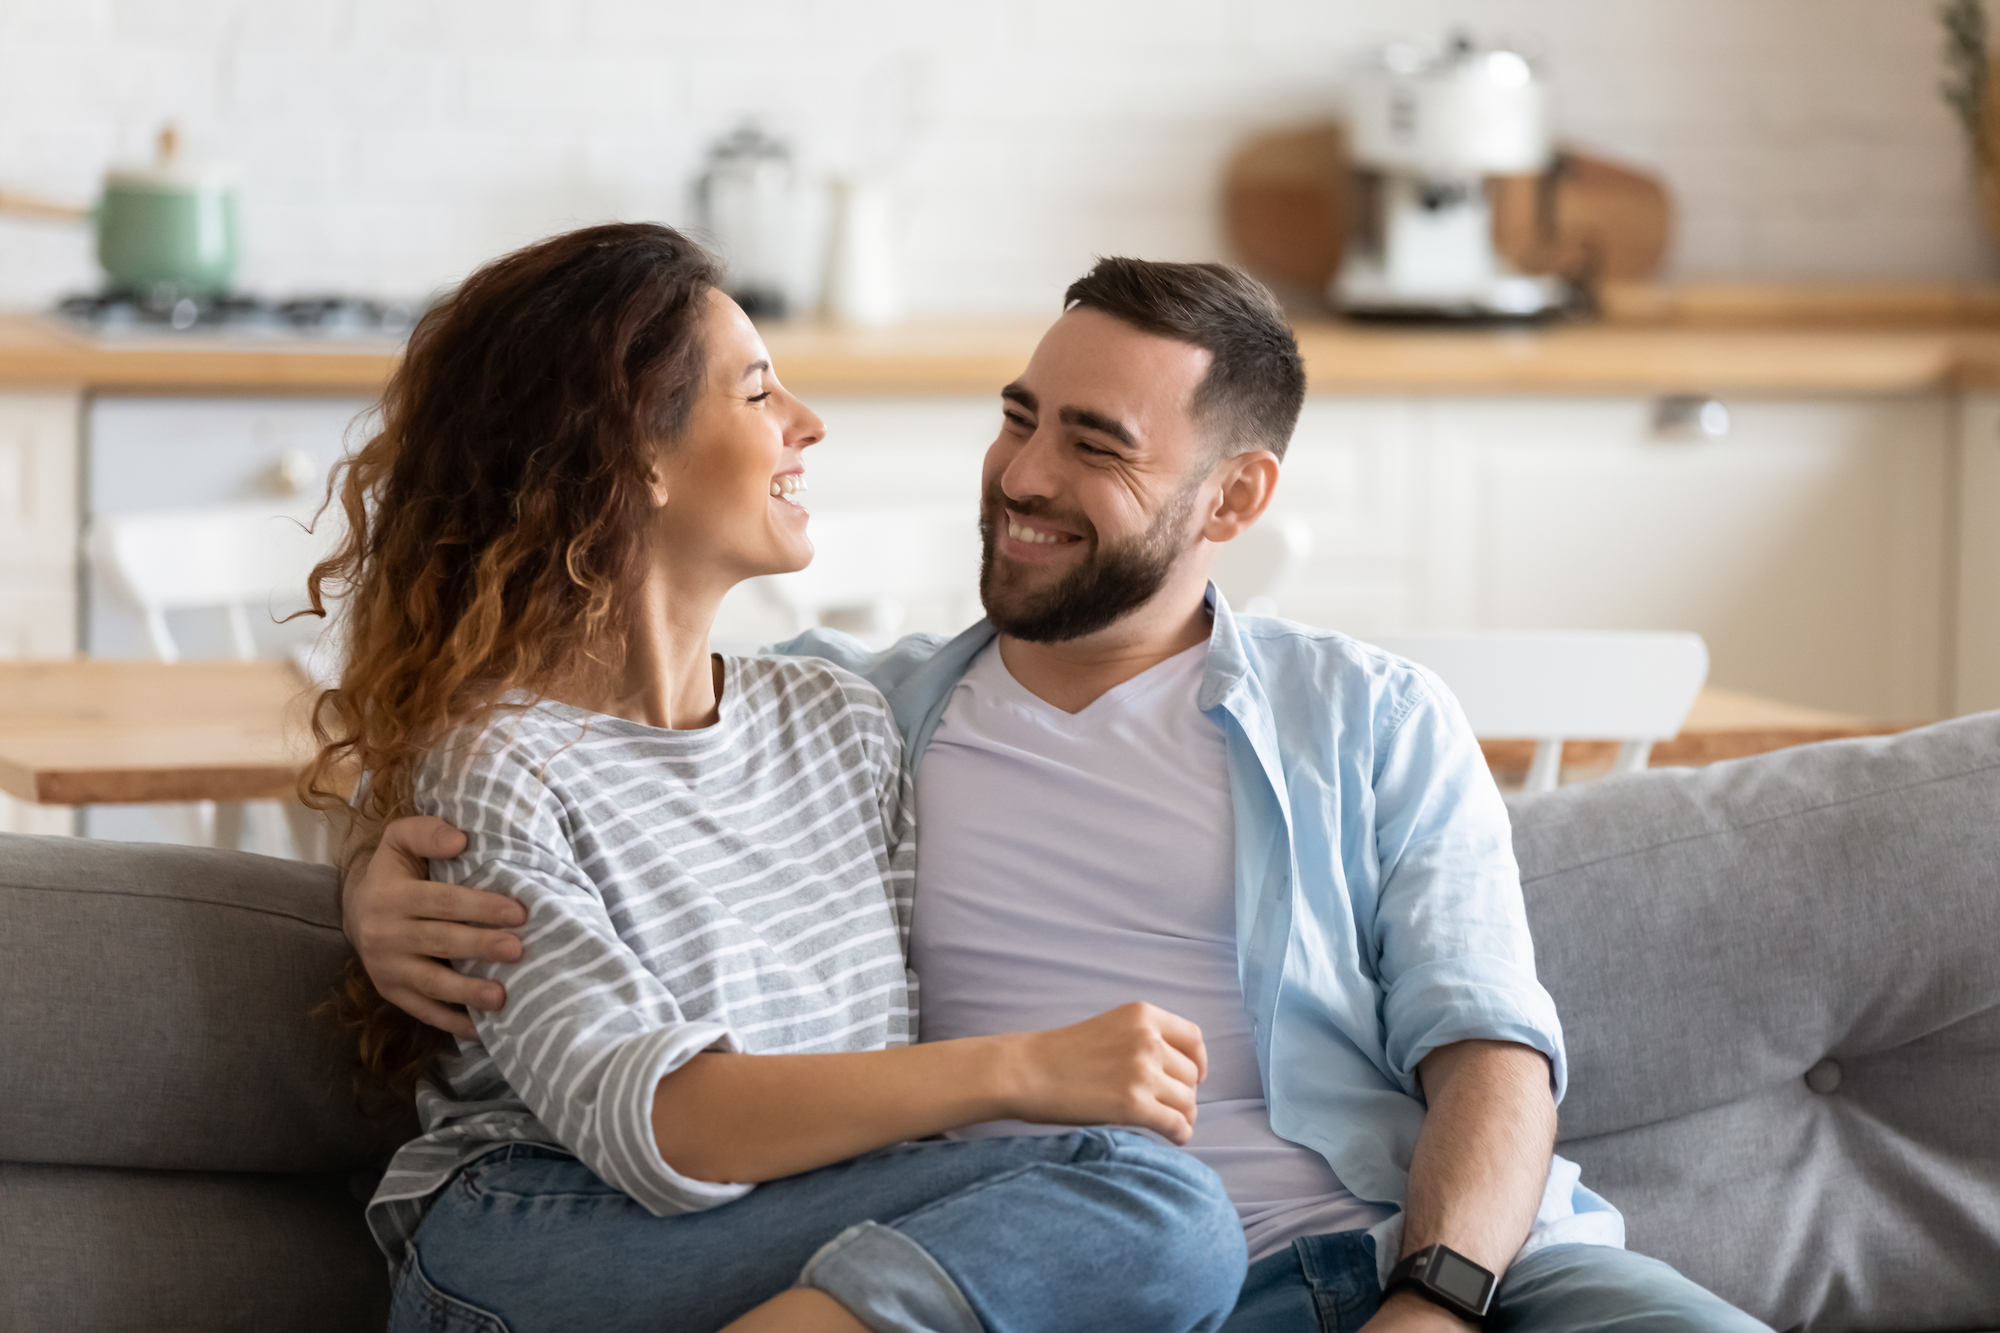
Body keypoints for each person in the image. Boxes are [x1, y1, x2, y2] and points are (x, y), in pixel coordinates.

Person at [345, 255, 1772, 1333]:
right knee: (1157, 1215)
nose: (1022, 475)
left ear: (1233, 500)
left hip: (1431, 1269)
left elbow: (1495, 1054)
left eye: (1094, 445)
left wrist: (1439, 1299)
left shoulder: (1370, 717)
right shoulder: (887, 710)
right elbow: (563, 751)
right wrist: (371, 887)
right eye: (1019, 417)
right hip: (1098, 1279)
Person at [305, 223, 1250, 1333]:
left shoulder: (842, 719)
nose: (806, 423)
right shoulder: (493, 765)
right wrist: (1024, 1071)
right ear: (633, 451)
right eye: (757, 393)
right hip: (539, 1230)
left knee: (1155, 1219)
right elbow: (653, 1121)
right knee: (1156, 1207)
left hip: (791, 1239)